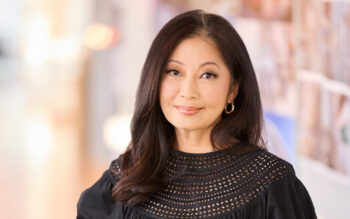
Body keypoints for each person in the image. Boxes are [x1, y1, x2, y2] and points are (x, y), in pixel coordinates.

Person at [77, 9, 317, 219]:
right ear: (154, 80)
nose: (188, 92)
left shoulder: (272, 183)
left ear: (233, 89)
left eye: (207, 75)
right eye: (174, 72)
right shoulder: (125, 178)